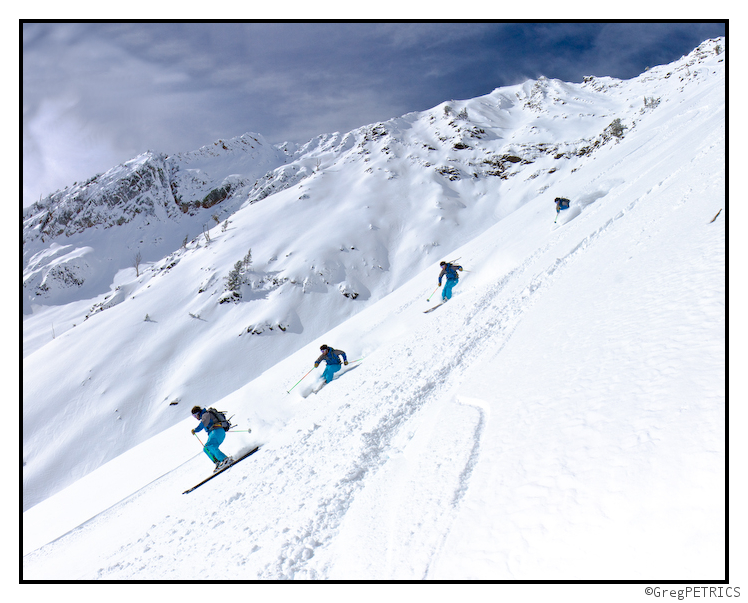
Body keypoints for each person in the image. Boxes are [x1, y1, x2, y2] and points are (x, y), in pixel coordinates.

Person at [191, 406, 233, 472]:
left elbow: (203, 423)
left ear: (198, 413)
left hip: (217, 431)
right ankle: (218, 462)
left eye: (195, 416)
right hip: (214, 432)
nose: (195, 418)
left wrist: (195, 430)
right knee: (206, 448)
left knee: (210, 445)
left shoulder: (205, 414)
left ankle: (225, 459)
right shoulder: (204, 415)